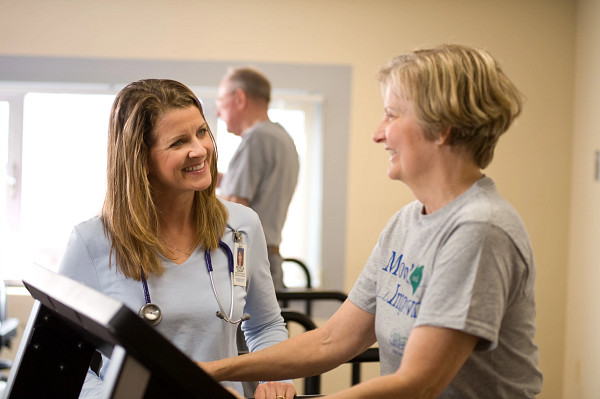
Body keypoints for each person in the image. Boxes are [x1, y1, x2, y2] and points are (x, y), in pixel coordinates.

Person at [200, 44, 543, 398]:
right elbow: (331, 341)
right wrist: (211, 370)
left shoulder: (479, 229)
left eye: (392, 115)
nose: (378, 133)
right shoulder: (405, 223)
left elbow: (417, 383)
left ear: (443, 129)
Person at [57, 79, 295, 398]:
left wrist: (274, 378)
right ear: (141, 159)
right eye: (178, 142)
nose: (199, 150)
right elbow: (64, 363)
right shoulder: (92, 241)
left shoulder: (242, 225)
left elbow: (265, 326)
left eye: (201, 132)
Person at [216, 67, 300, 290]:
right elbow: (263, 189)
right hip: (269, 257)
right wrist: (222, 180)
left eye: (221, 100)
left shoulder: (256, 138)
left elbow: (234, 207)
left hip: (247, 259)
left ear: (240, 98)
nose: (217, 112)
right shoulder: (281, 137)